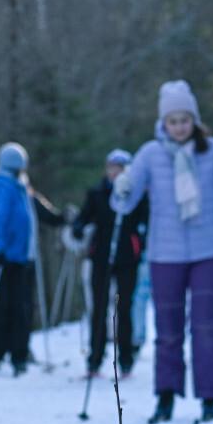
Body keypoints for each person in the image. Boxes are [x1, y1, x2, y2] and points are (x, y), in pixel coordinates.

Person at [112, 80, 213, 424]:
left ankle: (209, 398)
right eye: (172, 121)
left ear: (194, 120)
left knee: (206, 327)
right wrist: (122, 187)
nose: (179, 127)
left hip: (208, 251)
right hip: (165, 253)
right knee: (167, 329)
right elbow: (124, 203)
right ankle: (165, 396)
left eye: (184, 120)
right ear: (163, 123)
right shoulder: (150, 154)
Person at [0, 142, 66, 375]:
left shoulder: (21, 187)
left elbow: (35, 211)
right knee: (0, 307)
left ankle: (18, 354)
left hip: (19, 259)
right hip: (1, 260)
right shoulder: (2, 187)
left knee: (21, 308)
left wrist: (59, 218)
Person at [71, 148, 148, 375]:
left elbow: (145, 222)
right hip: (102, 257)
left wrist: (141, 239)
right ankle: (95, 359)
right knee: (99, 308)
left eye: (120, 168)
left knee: (123, 308)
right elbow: (85, 216)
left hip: (127, 258)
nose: (115, 172)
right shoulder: (97, 193)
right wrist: (78, 227)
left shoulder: (136, 194)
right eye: (112, 168)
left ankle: (126, 358)